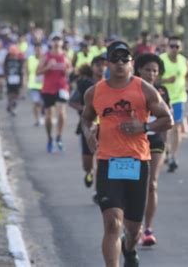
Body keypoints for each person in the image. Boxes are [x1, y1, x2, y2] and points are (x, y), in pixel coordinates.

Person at [82, 41, 172, 267]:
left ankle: (129, 249)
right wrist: (89, 132)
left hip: (137, 161)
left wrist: (144, 128)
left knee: (133, 230)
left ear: (132, 62)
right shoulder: (95, 92)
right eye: (115, 59)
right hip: (107, 161)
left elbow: (167, 119)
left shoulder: (144, 89)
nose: (120, 63)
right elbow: (86, 118)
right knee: (112, 223)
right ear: (107, 63)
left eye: (125, 59)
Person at [133, 53, 170, 246]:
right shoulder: (131, 89)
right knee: (134, 185)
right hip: (133, 143)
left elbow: (167, 120)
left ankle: (148, 228)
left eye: (155, 70)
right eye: (147, 69)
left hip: (155, 142)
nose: (151, 74)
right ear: (139, 69)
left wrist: (166, 146)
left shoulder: (162, 91)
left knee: (152, 184)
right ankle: (132, 226)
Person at [69, 57, 107, 193]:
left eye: (104, 65)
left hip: (105, 127)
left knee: (101, 160)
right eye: (98, 65)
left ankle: (98, 191)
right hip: (87, 126)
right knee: (88, 162)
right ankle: (88, 173)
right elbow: (72, 102)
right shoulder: (84, 84)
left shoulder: (112, 84)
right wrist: (86, 109)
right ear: (92, 67)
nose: (101, 67)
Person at [158, 36, 188, 172]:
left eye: (177, 46)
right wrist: (166, 80)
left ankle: (173, 157)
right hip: (163, 99)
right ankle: (166, 150)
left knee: (177, 128)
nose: (174, 49)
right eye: (171, 46)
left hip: (178, 99)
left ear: (180, 48)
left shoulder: (184, 61)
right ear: (167, 47)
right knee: (165, 128)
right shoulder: (161, 60)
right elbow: (154, 79)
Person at [37, 35, 72, 153]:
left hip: (61, 88)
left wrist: (67, 71)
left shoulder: (65, 56)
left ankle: (59, 136)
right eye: (54, 40)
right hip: (47, 89)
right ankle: (49, 138)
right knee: (48, 116)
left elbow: (70, 70)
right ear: (51, 42)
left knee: (61, 113)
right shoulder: (46, 56)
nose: (56, 42)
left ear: (62, 42)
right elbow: (37, 72)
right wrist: (47, 67)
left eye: (59, 40)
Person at [25, 42, 44, 126]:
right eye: (36, 49)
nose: (38, 51)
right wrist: (25, 81)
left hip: (44, 85)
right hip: (33, 84)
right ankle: (37, 120)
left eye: (39, 49)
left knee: (43, 103)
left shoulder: (45, 58)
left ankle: (43, 115)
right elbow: (26, 71)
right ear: (34, 50)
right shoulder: (30, 59)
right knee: (36, 102)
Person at [3, 44, 25, 115]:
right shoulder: (7, 59)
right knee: (10, 93)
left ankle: (12, 104)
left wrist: (23, 79)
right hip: (10, 78)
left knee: (16, 94)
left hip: (17, 79)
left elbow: (22, 69)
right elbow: (4, 68)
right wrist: (6, 75)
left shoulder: (19, 59)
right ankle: (10, 105)